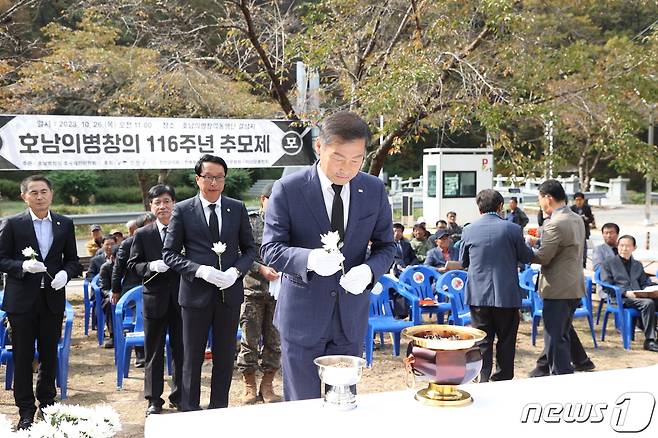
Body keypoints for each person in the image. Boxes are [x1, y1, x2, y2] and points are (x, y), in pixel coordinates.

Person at [261, 111, 395, 401]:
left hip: (350, 315)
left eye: (356, 159)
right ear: (319, 147)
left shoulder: (372, 190)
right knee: (302, 405)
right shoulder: (289, 189)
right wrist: (308, 259)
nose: (346, 168)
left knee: (343, 402)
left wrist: (370, 271)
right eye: (338, 157)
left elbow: (387, 246)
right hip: (302, 316)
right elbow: (270, 248)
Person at [163, 154, 257, 411]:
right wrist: (199, 270)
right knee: (192, 357)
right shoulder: (183, 210)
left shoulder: (236, 208)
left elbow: (250, 249)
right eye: (209, 177)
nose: (214, 182)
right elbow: (169, 254)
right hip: (195, 295)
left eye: (219, 177)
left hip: (229, 294)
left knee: (225, 357)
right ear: (198, 179)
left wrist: (236, 273)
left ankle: (218, 410)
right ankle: (190, 410)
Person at [0, 175, 81, 430]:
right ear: (24, 196)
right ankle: (25, 410)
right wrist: (22, 266)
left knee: (49, 355)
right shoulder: (13, 224)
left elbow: (73, 260)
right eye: (33, 192)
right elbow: (1, 259)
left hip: (52, 299)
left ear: (51, 194)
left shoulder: (64, 223)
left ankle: (47, 405)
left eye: (43, 191)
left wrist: (66, 274)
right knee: (23, 357)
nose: (39, 196)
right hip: (22, 302)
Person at [459, 189, 533, 382]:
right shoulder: (513, 229)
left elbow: (464, 262)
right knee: (507, 341)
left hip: (478, 294)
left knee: (482, 340)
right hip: (506, 294)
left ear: (479, 208)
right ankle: (503, 379)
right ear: (500, 207)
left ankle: (482, 378)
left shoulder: (468, 230)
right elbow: (526, 257)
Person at [128, 184, 185, 415]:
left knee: (182, 350)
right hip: (154, 301)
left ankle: (181, 396)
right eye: (157, 203)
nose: (162, 206)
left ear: (174, 203)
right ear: (150, 207)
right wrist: (151, 266)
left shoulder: (186, 229)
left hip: (182, 299)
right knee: (153, 351)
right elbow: (132, 265)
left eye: (166, 201)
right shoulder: (143, 234)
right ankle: (153, 400)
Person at [526, 180, 590, 375]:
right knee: (560, 330)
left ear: (548, 198)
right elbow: (565, 245)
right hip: (574, 285)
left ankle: (561, 374)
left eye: (539, 198)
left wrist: (527, 247)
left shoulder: (555, 223)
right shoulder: (576, 218)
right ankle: (546, 367)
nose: (539, 203)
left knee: (556, 336)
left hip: (557, 287)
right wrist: (538, 240)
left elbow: (543, 257)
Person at [237, 182, 282, 405]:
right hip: (252, 290)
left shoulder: (286, 222)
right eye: (273, 199)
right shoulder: (250, 221)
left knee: (275, 341)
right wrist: (260, 268)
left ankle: (268, 384)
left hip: (278, 293)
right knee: (249, 340)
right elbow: (239, 251)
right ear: (263, 200)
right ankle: (249, 384)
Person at [600, 235, 658, 352]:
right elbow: (606, 285)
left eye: (628, 246)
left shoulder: (637, 264)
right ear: (617, 246)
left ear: (634, 248)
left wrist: (652, 289)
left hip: (639, 297)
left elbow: (644, 282)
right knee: (648, 303)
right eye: (622, 245)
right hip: (621, 298)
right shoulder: (608, 263)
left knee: (652, 300)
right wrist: (625, 293)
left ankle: (649, 330)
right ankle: (649, 340)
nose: (624, 249)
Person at [112, 213, 153, 367]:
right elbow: (118, 269)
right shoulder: (128, 244)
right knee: (141, 309)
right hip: (134, 288)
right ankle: (141, 352)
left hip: (155, 286)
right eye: (147, 224)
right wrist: (115, 290)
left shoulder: (161, 239)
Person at [98, 244, 119, 349]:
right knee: (109, 302)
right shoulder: (106, 267)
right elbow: (103, 288)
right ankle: (113, 335)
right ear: (112, 258)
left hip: (127, 295)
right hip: (112, 295)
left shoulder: (128, 265)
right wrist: (111, 293)